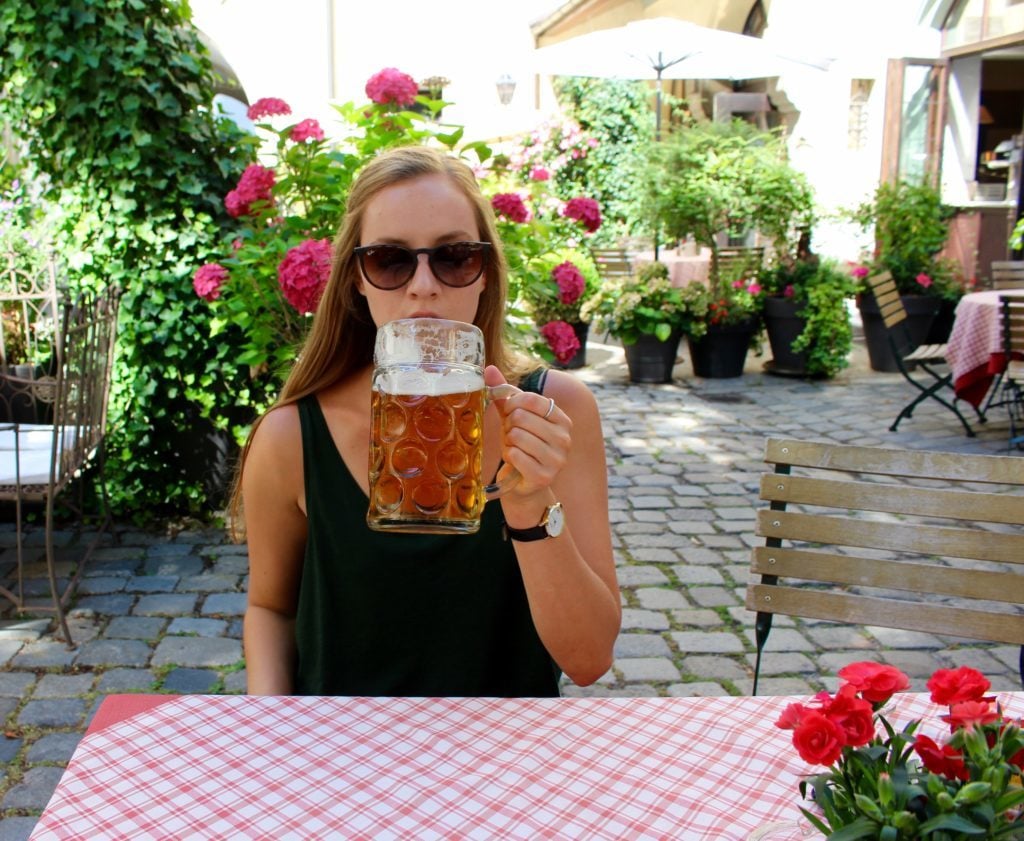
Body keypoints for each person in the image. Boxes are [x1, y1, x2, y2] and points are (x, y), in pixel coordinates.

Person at [238, 145, 620, 696]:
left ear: (485, 273)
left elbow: (588, 660)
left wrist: (529, 504)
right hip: (341, 760)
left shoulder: (556, 412)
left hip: (506, 759)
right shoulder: (292, 436)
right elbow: (270, 609)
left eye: (455, 256)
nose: (423, 285)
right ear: (356, 280)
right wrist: (269, 733)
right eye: (389, 260)